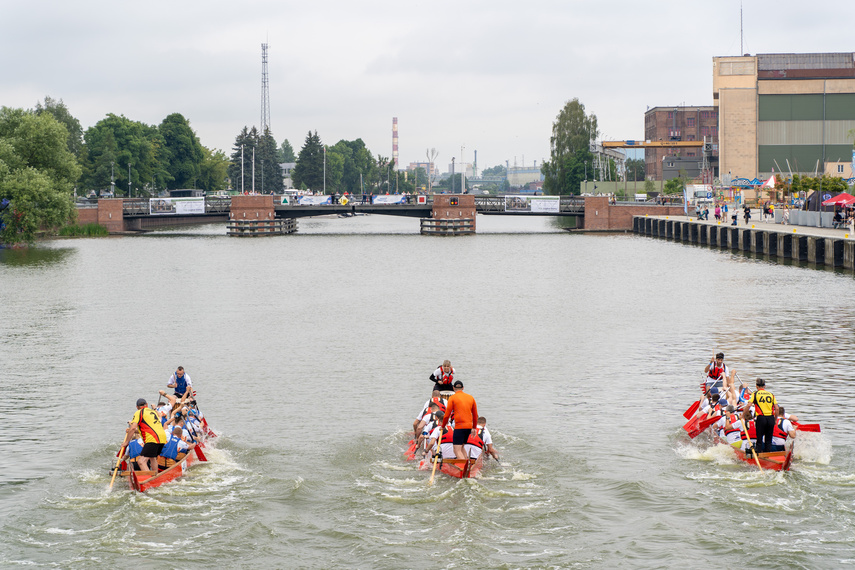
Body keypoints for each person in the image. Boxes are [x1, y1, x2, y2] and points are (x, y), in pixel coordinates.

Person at [125, 398, 168, 473]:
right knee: (153, 458)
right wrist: (134, 431)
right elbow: (146, 429)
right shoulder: (153, 412)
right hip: (162, 438)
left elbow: (133, 427)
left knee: (141, 461)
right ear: (147, 405)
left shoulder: (139, 412)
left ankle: (150, 479)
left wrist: (126, 442)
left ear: (137, 407)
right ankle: (155, 476)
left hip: (153, 439)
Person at [440, 380, 479, 460]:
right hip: (469, 427)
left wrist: (443, 426)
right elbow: (475, 415)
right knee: (461, 447)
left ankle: (464, 468)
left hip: (459, 427)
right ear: (463, 388)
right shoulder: (471, 397)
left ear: (453, 388)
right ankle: (467, 465)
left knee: (456, 449)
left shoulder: (452, 398)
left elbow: (447, 415)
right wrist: (474, 427)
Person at [750, 378, 778, 453]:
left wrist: (743, 415)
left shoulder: (755, 394)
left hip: (761, 418)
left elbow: (749, 405)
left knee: (759, 439)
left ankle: (759, 455)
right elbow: (777, 408)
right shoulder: (771, 394)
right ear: (764, 386)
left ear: (756, 386)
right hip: (771, 418)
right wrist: (775, 420)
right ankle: (767, 455)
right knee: (768, 440)